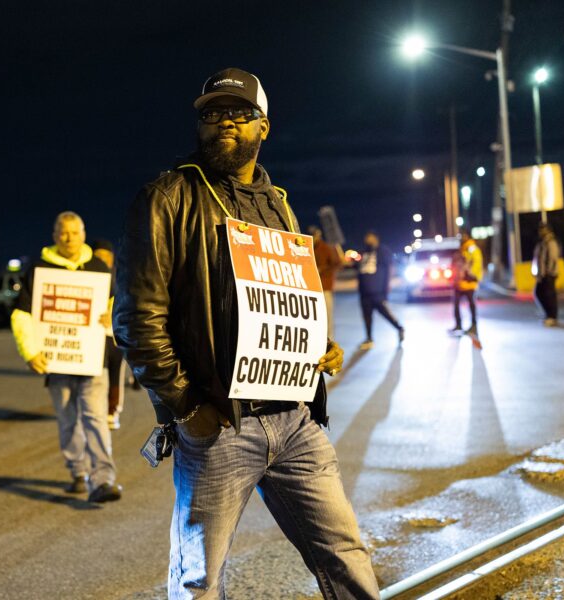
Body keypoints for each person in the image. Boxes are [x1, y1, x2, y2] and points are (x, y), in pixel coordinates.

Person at [114, 68, 378, 599]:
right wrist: (188, 406)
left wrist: (316, 346)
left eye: (238, 113)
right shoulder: (167, 198)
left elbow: (284, 299)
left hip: (296, 421)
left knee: (346, 556)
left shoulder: (278, 203)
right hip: (218, 427)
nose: (224, 123)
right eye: (212, 114)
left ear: (264, 127)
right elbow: (137, 320)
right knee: (198, 582)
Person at [10, 212, 122, 503]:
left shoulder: (98, 267)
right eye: (63, 232)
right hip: (56, 362)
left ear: (84, 234)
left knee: (96, 419)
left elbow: (116, 304)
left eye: (75, 232)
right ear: (54, 235)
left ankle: (103, 480)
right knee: (68, 419)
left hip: (92, 360)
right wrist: (30, 351)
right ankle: (78, 472)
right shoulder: (38, 270)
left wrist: (112, 316)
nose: (69, 237)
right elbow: (21, 314)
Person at [91, 239, 126, 430]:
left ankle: (112, 411)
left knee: (115, 374)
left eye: (107, 258)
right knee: (98, 376)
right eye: (99, 258)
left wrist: (113, 314)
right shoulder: (86, 276)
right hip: (95, 337)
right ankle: (97, 410)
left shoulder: (121, 277)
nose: (103, 262)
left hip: (115, 335)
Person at [356, 231, 404, 350]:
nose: (368, 240)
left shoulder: (383, 251)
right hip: (364, 292)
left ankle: (399, 328)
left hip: (377, 292)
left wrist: (387, 286)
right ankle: (369, 338)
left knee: (386, 313)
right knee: (367, 316)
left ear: (376, 238)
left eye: (370, 237)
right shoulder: (364, 252)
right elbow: (356, 267)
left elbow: (389, 268)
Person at [308, 225, 343, 338]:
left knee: (327, 316)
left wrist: (322, 270)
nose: (313, 238)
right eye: (311, 235)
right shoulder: (308, 248)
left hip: (325, 288)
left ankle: (329, 340)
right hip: (313, 288)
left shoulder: (326, 247)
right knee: (315, 317)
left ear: (319, 235)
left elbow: (337, 263)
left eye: (314, 235)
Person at [450, 230, 483, 337]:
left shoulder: (471, 248)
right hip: (459, 283)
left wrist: (471, 275)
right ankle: (458, 325)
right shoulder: (462, 249)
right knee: (456, 305)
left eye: (463, 236)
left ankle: (474, 326)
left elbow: (477, 262)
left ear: (467, 237)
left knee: (471, 305)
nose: (461, 238)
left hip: (469, 283)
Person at [533, 223, 560, 327]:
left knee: (549, 296)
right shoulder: (542, 242)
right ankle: (548, 314)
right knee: (539, 293)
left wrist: (549, 272)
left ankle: (552, 317)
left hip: (549, 274)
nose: (541, 232)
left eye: (543, 230)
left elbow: (553, 258)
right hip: (542, 274)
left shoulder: (550, 242)